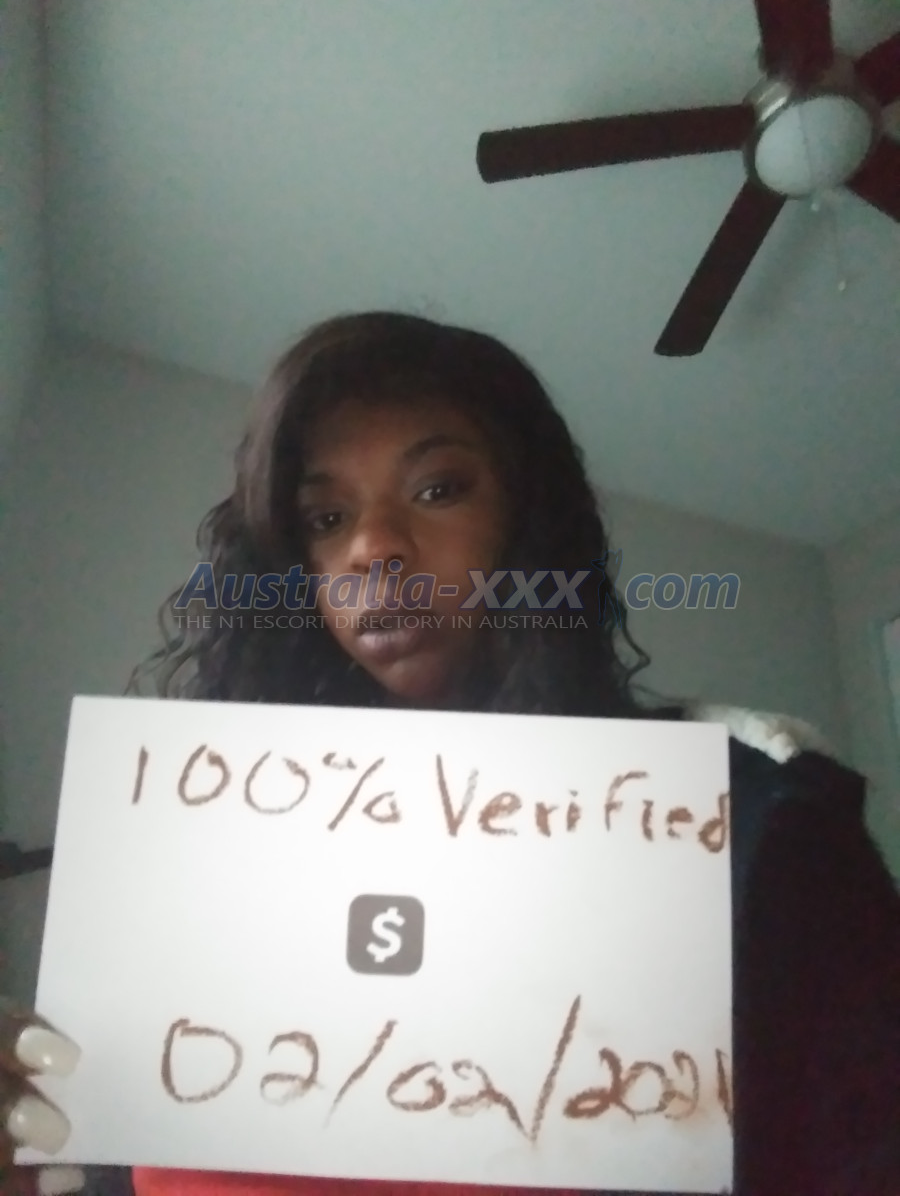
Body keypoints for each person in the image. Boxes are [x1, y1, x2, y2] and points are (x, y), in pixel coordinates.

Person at [3, 313, 898, 1196]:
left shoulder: (749, 824)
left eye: (438, 490)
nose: (372, 548)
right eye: (325, 516)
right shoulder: (199, 859)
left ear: (529, 522)